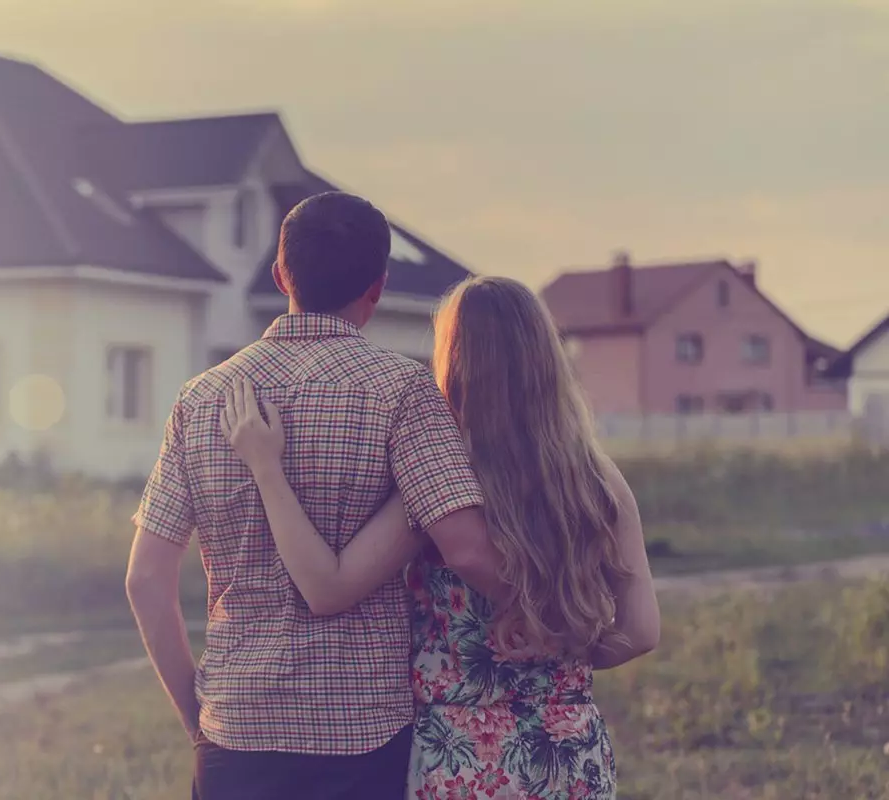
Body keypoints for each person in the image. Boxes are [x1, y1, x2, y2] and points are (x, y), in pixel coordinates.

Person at [125, 191, 510, 800]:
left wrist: (199, 718)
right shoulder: (405, 391)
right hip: (361, 732)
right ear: (378, 287)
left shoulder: (201, 399)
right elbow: (465, 548)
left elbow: (146, 579)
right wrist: (567, 613)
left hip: (237, 728)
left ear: (280, 274)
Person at [220, 275, 662, 799]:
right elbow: (641, 631)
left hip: (462, 759)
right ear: (545, 359)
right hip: (569, 755)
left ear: (454, 361)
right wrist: (565, 649)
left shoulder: (439, 482)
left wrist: (267, 469)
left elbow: (328, 586)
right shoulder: (599, 479)